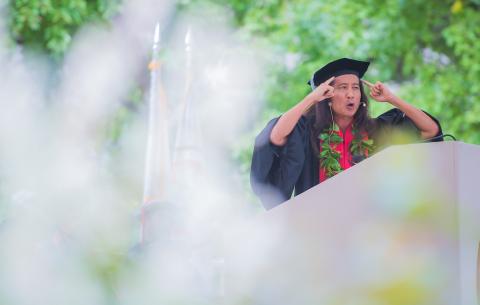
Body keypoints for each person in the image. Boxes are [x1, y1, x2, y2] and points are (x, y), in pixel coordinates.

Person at [250, 58, 443, 210]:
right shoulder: (308, 133)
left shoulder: (376, 131)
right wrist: (311, 98)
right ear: (327, 96)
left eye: (356, 88)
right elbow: (276, 137)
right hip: (318, 227)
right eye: (343, 88)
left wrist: (392, 98)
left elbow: (430, 130)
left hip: (368, 228)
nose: (351, 94)